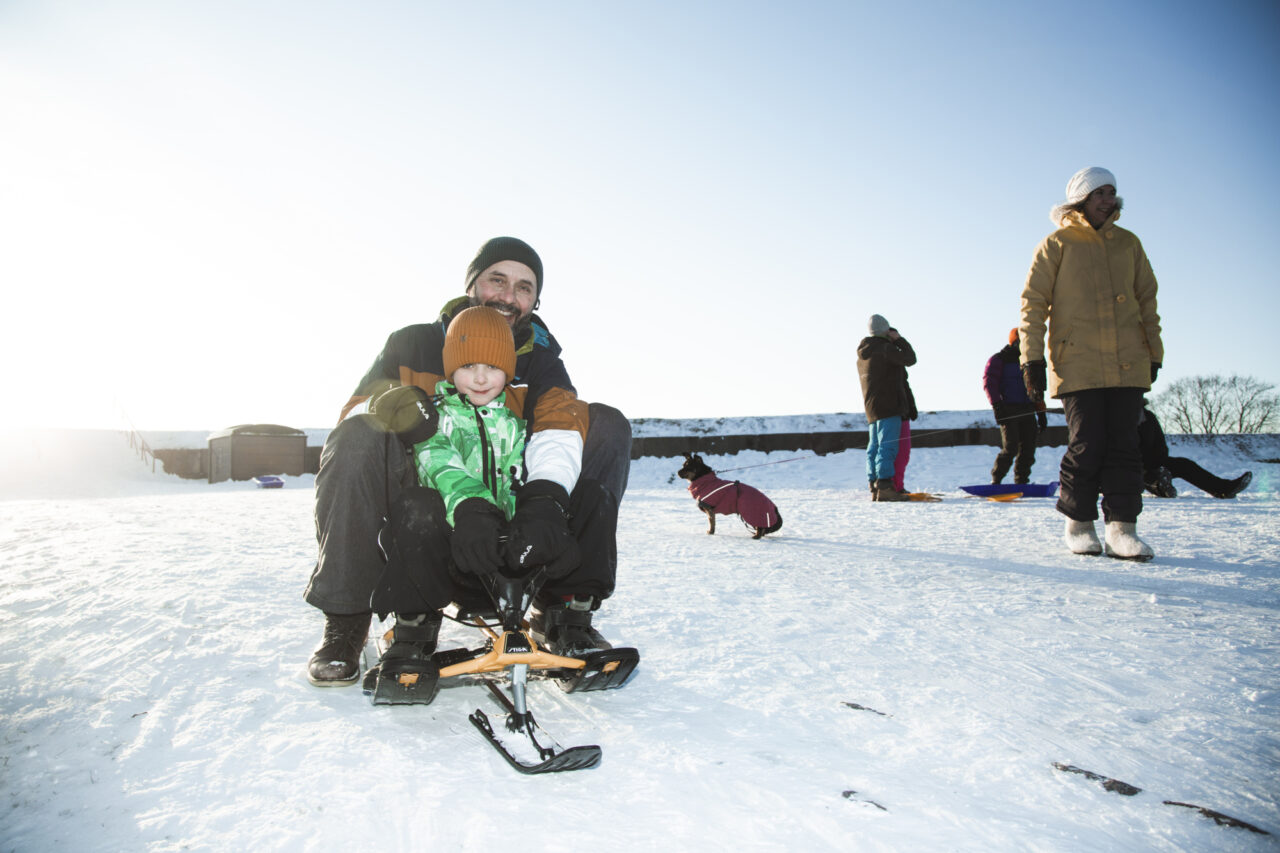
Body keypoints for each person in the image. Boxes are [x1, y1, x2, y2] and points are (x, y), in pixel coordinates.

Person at [305, 237, 632, 686]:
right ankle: (347, 619)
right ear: (472, 284)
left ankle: (560, 606)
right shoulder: (413, 343)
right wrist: (393, 407)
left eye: (524, 288)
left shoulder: (541, 359)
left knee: (608, 425)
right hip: (423, 499)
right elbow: (353, 414)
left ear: (536, 300)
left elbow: (558, 426)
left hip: (509, 495)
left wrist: (546, 499)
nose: (508, 296)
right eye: (497, 280)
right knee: (358, 437)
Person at [1020, 167, 1163, 560]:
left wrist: (1154, 352)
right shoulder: (1057, 243)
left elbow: (1147, 300)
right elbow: (1033, 305)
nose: (1107, 198)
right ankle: (1079, 522)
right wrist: (1031, 359)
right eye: (1098, 192)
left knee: (1125, 446)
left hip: (1126, 361)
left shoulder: (1129, 244)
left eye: (1111, 191)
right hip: (1077, 362)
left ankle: (1121, 528)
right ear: (1080, 198)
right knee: (1088, 442)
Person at [857, 314, 917, 502]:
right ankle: (885, 486)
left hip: (872, 408)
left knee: (874, 447)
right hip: (890, 405)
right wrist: (899, 340)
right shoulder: (886, 349)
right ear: (886, 330)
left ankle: (874, 485)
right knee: (888, 447)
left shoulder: (863, 355)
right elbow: (910, 358)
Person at [1139, 403, 1252, 499]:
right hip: (1129, 467)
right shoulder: (1124, 417)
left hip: (1151, 464)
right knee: (1140, 474)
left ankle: (1224, 489)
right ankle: (1158, 485)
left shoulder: (1148, 417)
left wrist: (1158, 466)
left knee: (1184, 465)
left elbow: (1160, 445)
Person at [983, 328, 1048, 484]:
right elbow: (989, 383)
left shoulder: (1032, 362)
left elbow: (1037, 388)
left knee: (1028, 449)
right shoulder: (999, 359)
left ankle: (1022, 480)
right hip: (1008, 410)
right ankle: (996, 479)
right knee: (1011, 447)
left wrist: (1041, 413)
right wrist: (997, 406)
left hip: (1028, 410)